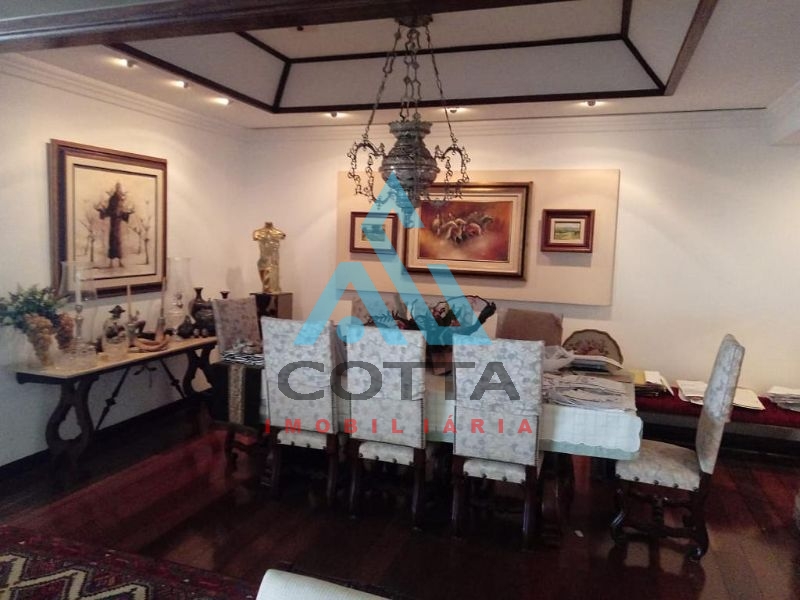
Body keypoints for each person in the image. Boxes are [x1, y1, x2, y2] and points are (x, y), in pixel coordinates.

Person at [96, 182, 134, 268]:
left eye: (119, 188)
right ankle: (111, 263)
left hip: (118, 223)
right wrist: (102, 211)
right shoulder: (112, 199)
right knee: (112, 241)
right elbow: (109, 210)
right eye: (117, 187)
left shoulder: (121, 199)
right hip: (113, 223)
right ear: (116, 188)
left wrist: (127, 214)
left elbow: (122, 211)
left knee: (119, 242)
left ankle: (120, 262)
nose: (119, 189)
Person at [253, 221, 286, 293]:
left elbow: (283, 236)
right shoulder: (258, 232)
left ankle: (270, 289)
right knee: (263, 269)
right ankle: (267, 289)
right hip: (263, 257)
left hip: (273, 258)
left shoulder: (278, 232)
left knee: (271, 270)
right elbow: (255, 238)